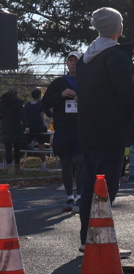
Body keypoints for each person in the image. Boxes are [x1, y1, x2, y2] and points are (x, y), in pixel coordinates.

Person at [76, 6, 134, 252]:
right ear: (118, 28)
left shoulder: (85, 58)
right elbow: (125, 93)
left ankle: (86, 238)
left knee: (89, 187)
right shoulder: (116, 56)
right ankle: (100, 240)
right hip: (112, 131)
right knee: (107, 187)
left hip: (88, 130)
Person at [43, 52, 85, 210]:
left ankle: (80, 195)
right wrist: (62, 95)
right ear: (67, 63)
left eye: (76, 61)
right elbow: (45, 102)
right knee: (66, 163)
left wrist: (84, 99)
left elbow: (98, 102)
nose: (73, 63)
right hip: (63, 129)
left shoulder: (87, 81)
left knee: (81, 162)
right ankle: (69, 196)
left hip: (82, 128)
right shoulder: (58, 83)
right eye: (71, 60)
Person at [0, 89, 26, 174]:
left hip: (6, 127)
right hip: (16, 127)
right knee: (17, 149)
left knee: (8, 149)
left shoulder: (2, 103)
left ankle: (10, 168)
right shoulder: (18, 103)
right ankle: (17, 167)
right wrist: (26, 125)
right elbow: (22, 115)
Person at [22, 88, 51, 152]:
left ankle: (33, 141)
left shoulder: (27, 105)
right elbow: (49, 114)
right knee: (41, 144)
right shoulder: (42, 104)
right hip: (40, 127)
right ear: (40, 95)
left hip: (29, 128)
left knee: (29, 140)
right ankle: (43, 158)